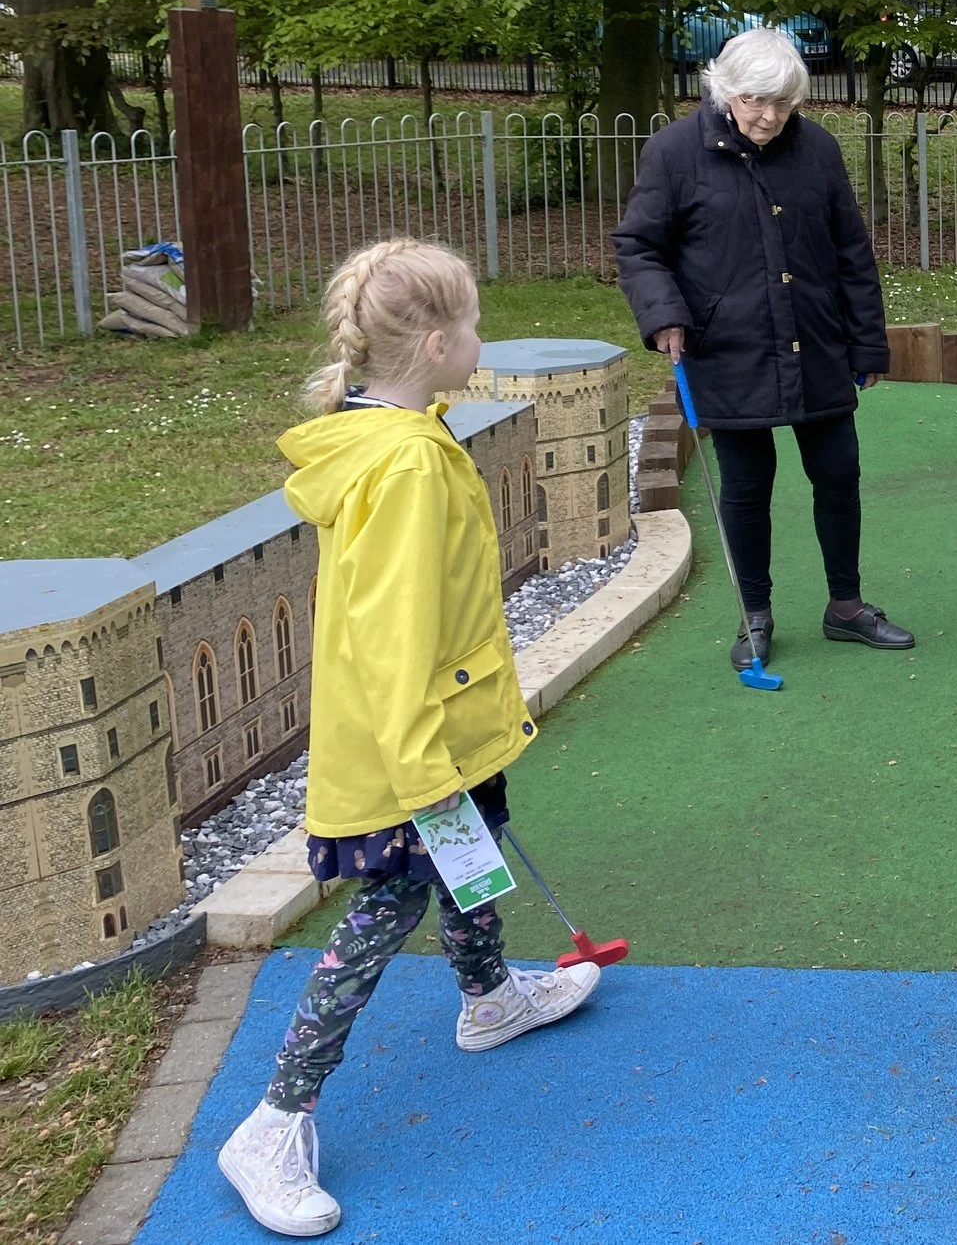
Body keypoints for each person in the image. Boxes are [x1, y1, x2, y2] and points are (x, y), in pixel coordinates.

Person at [219, 239, 598, 1238]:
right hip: (412, 747)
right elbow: (393, 639)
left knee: (471, 863)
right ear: (436, 344)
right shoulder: (410, 469)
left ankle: (488, 995)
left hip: (446, 729)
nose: (481, 336)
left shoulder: (394, 434)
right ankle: (275, 1120)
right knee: (382, 915)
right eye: (473, 322)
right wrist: (427, 775)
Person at [614, 26, 903, 665]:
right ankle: (755, 616)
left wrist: (868, 345)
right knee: (747, 484)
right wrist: (665, 314)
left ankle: (846, 607)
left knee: (839, 473)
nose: (768, 117)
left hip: (817, 340)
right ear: (724, 91)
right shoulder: (673, 153)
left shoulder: (818, 150)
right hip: (727, 347)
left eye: (782, 104)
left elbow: (851, 251)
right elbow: (638, 246)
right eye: (753, 102)